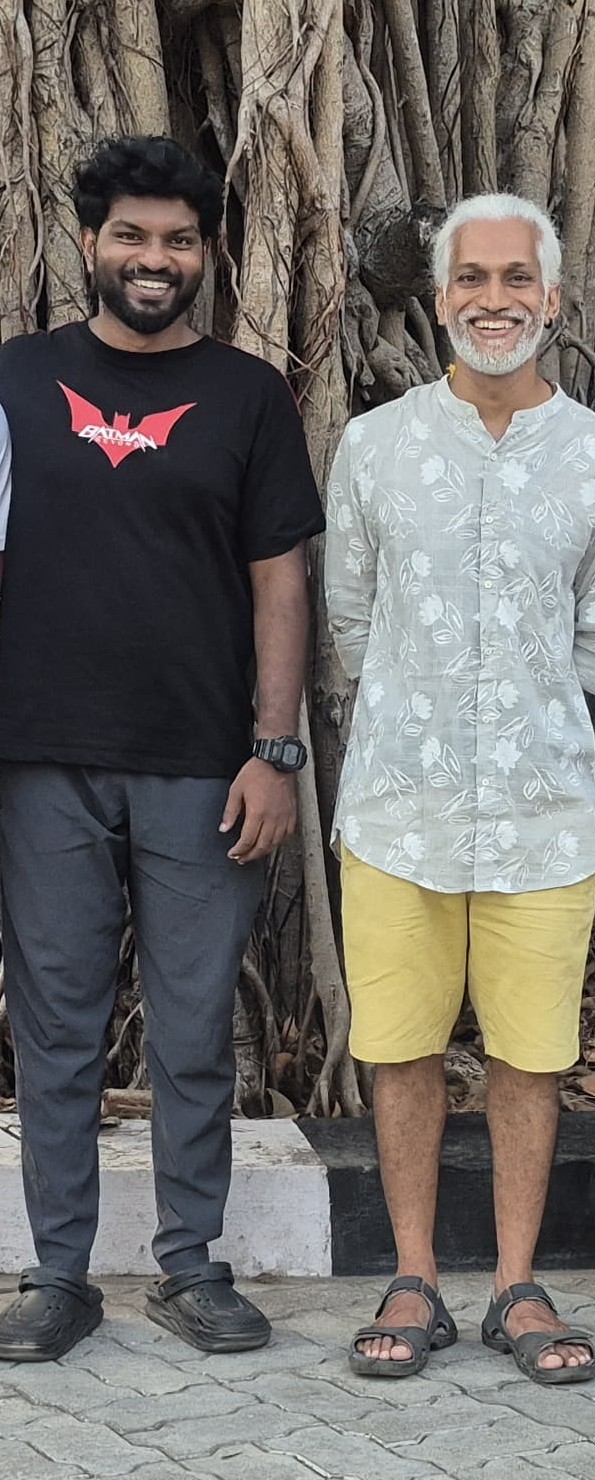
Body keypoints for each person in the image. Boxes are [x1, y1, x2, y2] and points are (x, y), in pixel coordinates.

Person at [0, 136, 324, 1362]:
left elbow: (280, 576)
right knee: (57, 1027)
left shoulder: (248, 395)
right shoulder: (16, 380)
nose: (154, 258)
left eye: (178, 240)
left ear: (205, 254)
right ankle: (59, 1275)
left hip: (204, 766)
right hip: (41, 759)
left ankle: (191, 1265)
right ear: (89, 243)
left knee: (193, 1030)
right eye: (131, 235)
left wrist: (274, 750)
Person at [326, 193, 595, 1384]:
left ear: (552, 298)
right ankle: (413, 1276)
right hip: (397, 809)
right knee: (401, 1049)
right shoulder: (374, 446)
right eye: (472, 277)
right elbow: (350, 617)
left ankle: (517, 1284)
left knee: (529, 1056)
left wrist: (520, 708)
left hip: (540, 818)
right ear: (440, 296)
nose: (494, 298)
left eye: (518, 278)